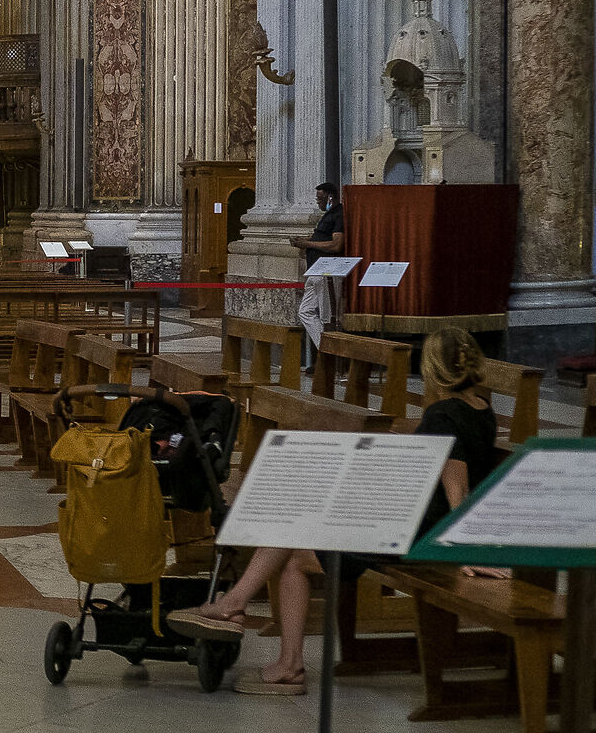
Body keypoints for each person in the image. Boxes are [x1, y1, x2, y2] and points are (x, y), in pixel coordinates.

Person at [175, 328, 502, 691]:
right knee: (297, 540)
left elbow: (457, 486)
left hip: (412, 533)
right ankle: (263, 635)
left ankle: (259, 632)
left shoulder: (445, 414)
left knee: (295, 547)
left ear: (431, 369)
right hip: (412, 523)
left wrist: (466, 548)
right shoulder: (483, 410)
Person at [295, 180, 347, 355]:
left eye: (320, 198)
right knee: (305, 312)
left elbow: (336, 245)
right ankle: (325, 350)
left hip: (328, 272)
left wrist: (308, 243)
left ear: (330, 197)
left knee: (328, 316)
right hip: (315, 271)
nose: (317, 202)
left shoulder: (339, 214)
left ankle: (331, 356)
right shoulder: (328, 214)